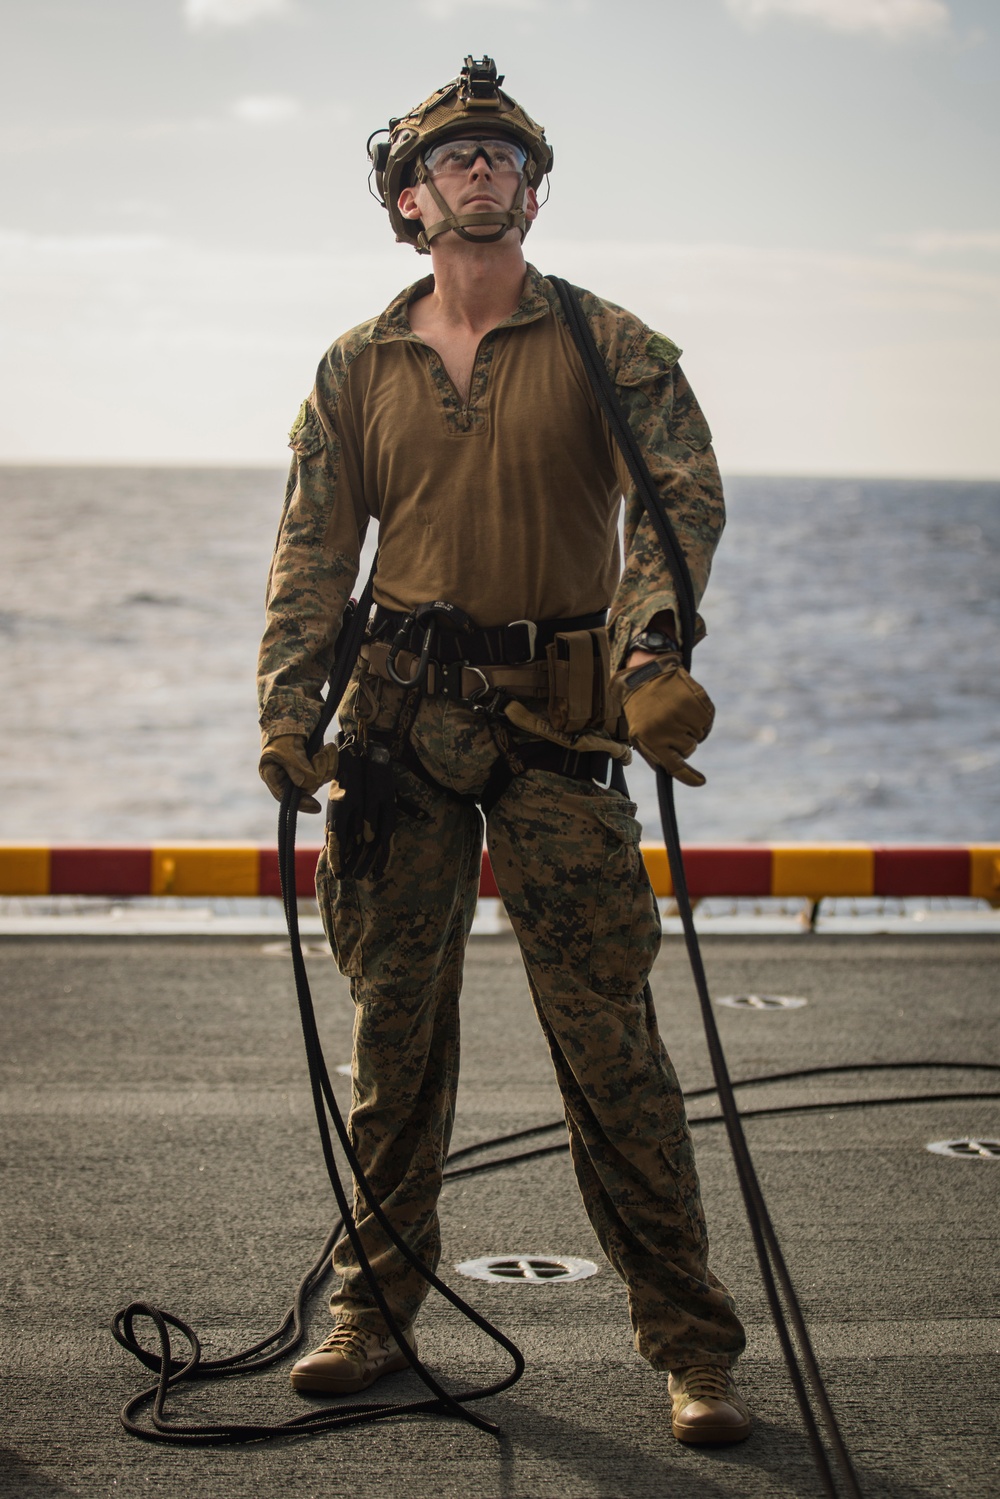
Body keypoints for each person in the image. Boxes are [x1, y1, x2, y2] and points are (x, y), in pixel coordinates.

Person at [257, 56, 751, 1446]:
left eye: (504, 157)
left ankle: (692, 1345)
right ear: (409, 202)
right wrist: (288, 711)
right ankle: (371, 1310)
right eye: (454, 159)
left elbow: (677, 501)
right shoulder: (355, 366)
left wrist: (654, 648)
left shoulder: (610, 344)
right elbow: (310, 553)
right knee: (392, 1041)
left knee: (613, 1052)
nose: (482, 172)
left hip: (561, 733)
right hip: (398, 740)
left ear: (532, 191)